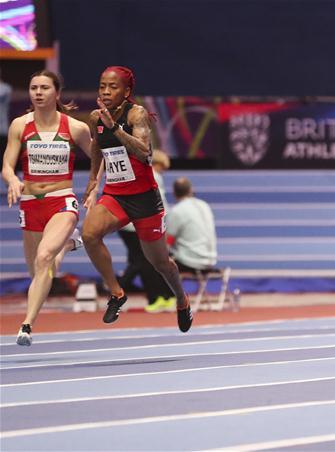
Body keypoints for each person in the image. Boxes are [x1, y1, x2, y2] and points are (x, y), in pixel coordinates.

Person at [81, 66, 193, 332]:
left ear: (127, 91)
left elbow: (145, 153)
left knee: (161, 264)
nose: (106, 92)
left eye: (113, 87)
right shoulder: (96, 116)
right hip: (116, 195)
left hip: (145, 201)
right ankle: (117, 292)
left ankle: (181, 299)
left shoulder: (136, 114)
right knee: (89, 235)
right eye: (102, 87)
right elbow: (98, 146)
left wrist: (115, 129)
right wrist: (93, 182)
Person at [2, 70, 92, 345]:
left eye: (44, 88)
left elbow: (99, 158)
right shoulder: (20, 125)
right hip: (30, 204)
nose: (38, 93)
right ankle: (67, 245)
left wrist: (94, 187)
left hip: (61, 201)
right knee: (40, 272)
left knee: (43, 259)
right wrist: (12, 180)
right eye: (33, 88)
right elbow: (7, 164)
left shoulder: (75, 128)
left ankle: (26, 326)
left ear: (57, 92)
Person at [116, 151, 176, 313]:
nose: (163, 170)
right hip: (138, 224)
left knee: (138, 261)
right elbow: (159, 202)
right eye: (162, 167)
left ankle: (118, 292)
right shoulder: (153, 175)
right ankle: (154, 297)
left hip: (129, 223)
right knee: (144, 262)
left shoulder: (138, 171)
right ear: (157, 164)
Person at [166, 177, 217, 273]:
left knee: (158, 260)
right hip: (211, 259)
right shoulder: (205, 205)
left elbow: (168, 241)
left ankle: (159, 288)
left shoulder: (177, 210)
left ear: (174, 193)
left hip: (189, 261)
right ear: (191, 190)